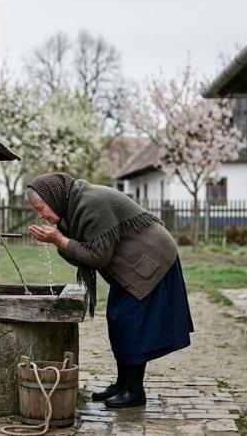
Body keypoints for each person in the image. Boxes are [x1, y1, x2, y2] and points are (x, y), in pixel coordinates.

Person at [26, 172, 194, 408]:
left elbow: (98, 257)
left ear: (53, 198)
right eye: (37, 211)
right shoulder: (72, 210)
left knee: (131, 323)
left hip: (152, 261)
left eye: (41, 208)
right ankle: (122, 384)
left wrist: (60, 241)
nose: (41, 215)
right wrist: (61, 241)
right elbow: (82, 256)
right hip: (130, 265)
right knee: (117, 319)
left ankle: (134, 391)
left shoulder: (92, 203)